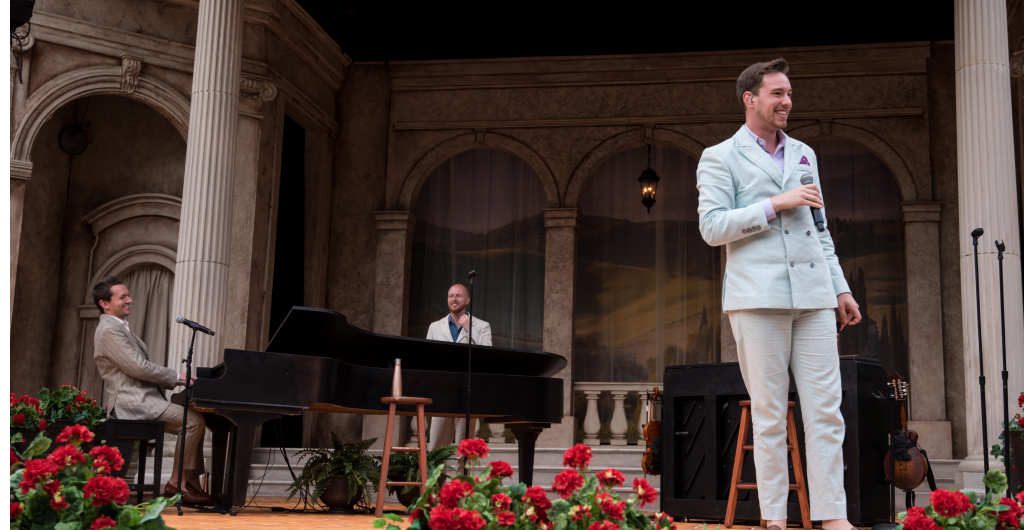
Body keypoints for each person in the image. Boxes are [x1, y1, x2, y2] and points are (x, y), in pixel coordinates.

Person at [696, 58, 861, 530]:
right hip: (757, 299)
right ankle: (774, 520)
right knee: (770, 415)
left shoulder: (805, 154)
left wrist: (840, 289)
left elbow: (820, 229)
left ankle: (833, 517)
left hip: (813, 299)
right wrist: (774, 204)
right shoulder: (719, 156)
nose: (787, 101)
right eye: (777, 93)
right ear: (750, 99)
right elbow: (712, 228)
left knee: (826, 412)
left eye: (789, 93)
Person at [91, 275, 214, 506]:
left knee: (194, 418)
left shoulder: (119, 328)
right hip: (132, 403)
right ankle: (177, 483)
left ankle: (192, 483)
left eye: (128, 294)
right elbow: (138, 367)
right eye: (123, 296)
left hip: (144, 400)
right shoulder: (108, 330)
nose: (130, 299)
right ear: (104, 304)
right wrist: (177, 377)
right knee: (192, 421)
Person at [425, 283, 492, 451]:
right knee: (436, 448)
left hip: (467, 392)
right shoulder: (435, 327)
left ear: (467, 300)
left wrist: (470, 330)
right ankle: (437, 478)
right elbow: (426, 358)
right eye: (451, 296)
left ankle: (462, 479)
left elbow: (488, 354)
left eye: (458, 295)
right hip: (442, 392)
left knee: (464, 449)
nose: (454, 299)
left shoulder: (482, 326)